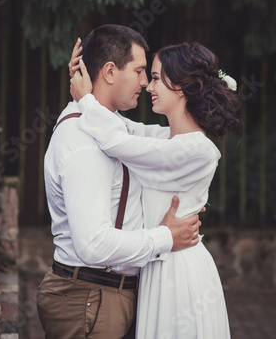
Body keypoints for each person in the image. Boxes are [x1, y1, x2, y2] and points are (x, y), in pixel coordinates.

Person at [37, 25, 205, 339]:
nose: (145, 81)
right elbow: (94, 244)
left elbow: (173, 141)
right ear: (110, 71)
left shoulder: (109, 127)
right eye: (141, 70)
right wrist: (166, 237)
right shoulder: (84, 142)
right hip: (89, 299)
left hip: (106, 297)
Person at [70, 40, 241, 339]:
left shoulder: (198, 149)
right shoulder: (163, 139)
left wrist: (85, 100)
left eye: (158, 77)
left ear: (186, 86)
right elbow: (116, 126)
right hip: (157, 263)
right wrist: (88, 83)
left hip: (180, 271)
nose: (148, 85)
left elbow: (116, 141)